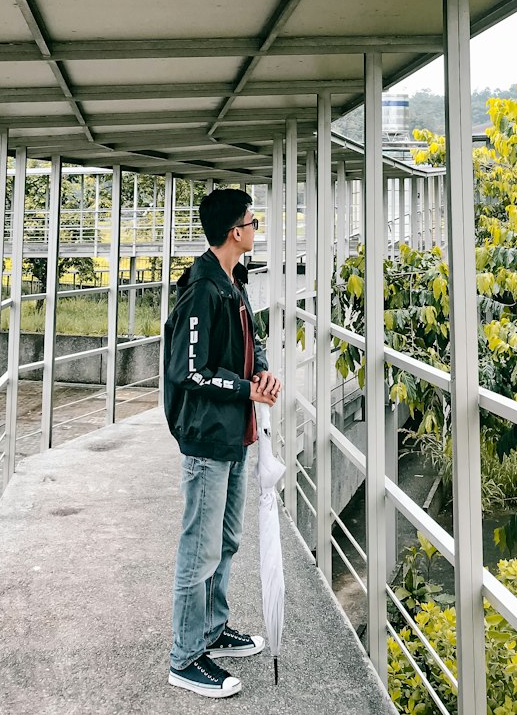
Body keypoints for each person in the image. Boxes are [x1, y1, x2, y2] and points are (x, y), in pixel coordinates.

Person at [163, 187, 281, 698]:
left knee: (226, 541)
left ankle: (213, 630)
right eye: (252, 223)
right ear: (236, 231)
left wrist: (263, 372)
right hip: (208, 436)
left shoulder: (234, 280)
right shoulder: (202, 289)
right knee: (199, 550)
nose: (255, 230)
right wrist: (244, 388)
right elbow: (188, 371)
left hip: (233, 432)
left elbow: (248, 344)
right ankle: (185, 658)